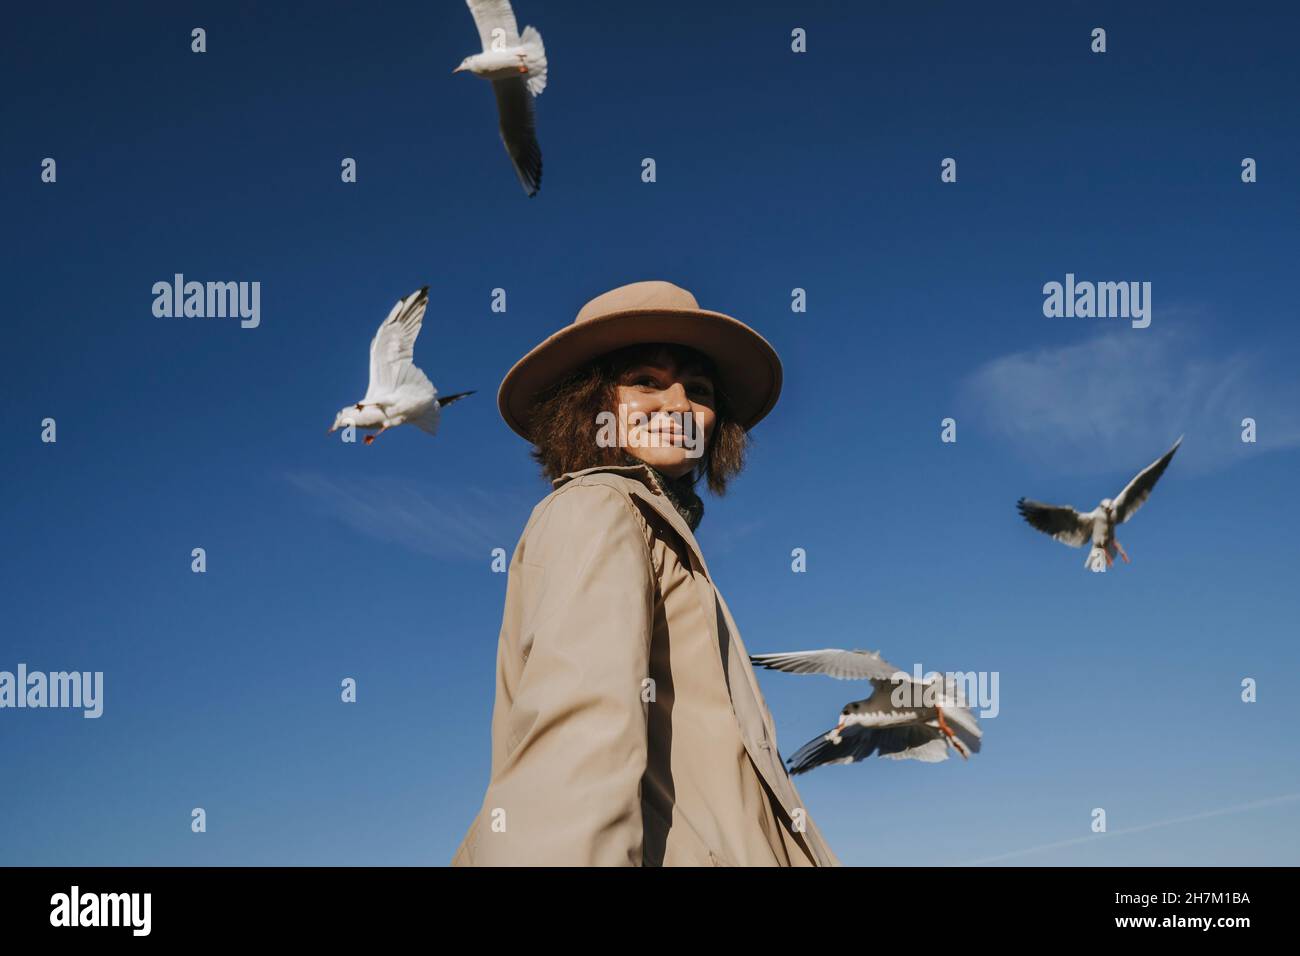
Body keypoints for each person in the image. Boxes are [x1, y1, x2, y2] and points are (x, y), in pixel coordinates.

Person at [451, 280, 840, 866]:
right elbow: (578, 752)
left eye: (701, 389)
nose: (680, 406)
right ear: (589, 402)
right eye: (645, 382)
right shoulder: (602, 507)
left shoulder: (657, 533)